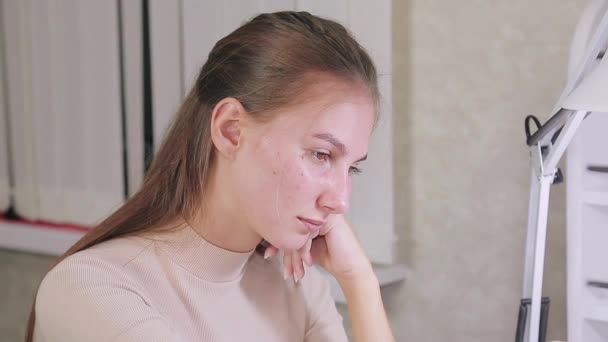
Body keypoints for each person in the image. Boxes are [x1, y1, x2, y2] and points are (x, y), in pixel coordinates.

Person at [26, 11, 394, 342]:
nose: (340, 201)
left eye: (353, 168)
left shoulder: (298, 289)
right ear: (231, 129)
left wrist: (360, 282)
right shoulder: (93, 289)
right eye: (321, 154)